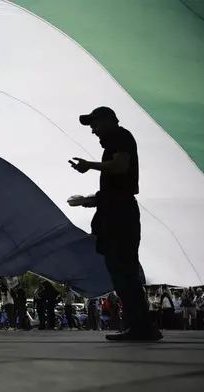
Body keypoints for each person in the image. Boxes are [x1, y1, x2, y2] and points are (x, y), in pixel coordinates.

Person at [70, 106, 161, 341]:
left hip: (120, 214)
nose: (93, 130)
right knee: (120, 270)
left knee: (123, 270)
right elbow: (114, 189)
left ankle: (141, 327)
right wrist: (87, 201)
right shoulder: (115, 142)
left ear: (109, 120)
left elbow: (121, 167)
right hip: (116, 211)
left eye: (95, 124)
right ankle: (139, 325)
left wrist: (89, 165)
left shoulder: (120, 137)